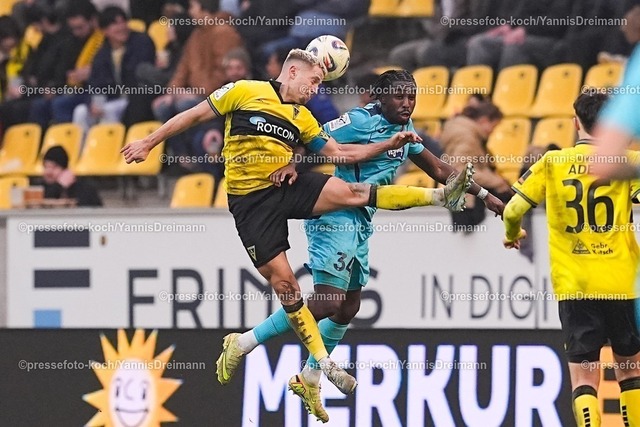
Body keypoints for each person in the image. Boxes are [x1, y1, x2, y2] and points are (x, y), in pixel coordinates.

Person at [121, 49, 475, 396]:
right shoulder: (244, 90)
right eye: (314, 81)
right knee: (288, 288)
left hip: (285, 186)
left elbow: (339, 153)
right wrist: (149, 142)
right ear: (292, 72)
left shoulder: (303, 117)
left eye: (321, 83)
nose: (316, 89)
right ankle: (290, 357)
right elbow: (193, 115)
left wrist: (388, 144)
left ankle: (441, 197)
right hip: (251, 203)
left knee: (354, 193)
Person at [212, 70, 504, 423]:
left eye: (411, 96)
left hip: (362, 219)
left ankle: (309, 377)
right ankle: (244, 342)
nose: (407, 103)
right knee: (328, 301)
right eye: (399, 96)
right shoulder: (360, 121)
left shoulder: (405, 130)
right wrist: (292, 162)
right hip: (336, 215)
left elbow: (440, 169)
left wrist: (486, 196)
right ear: (380, 97)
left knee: (349, 307)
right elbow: (316, 137)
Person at [504, 92, 640, 427]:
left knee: (584, 379)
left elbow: (513, 209)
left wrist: (513, 233)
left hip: (575, 285)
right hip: (623, 281)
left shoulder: (552, 162)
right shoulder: (628, 161)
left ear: (575, 122)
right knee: (631, 371)